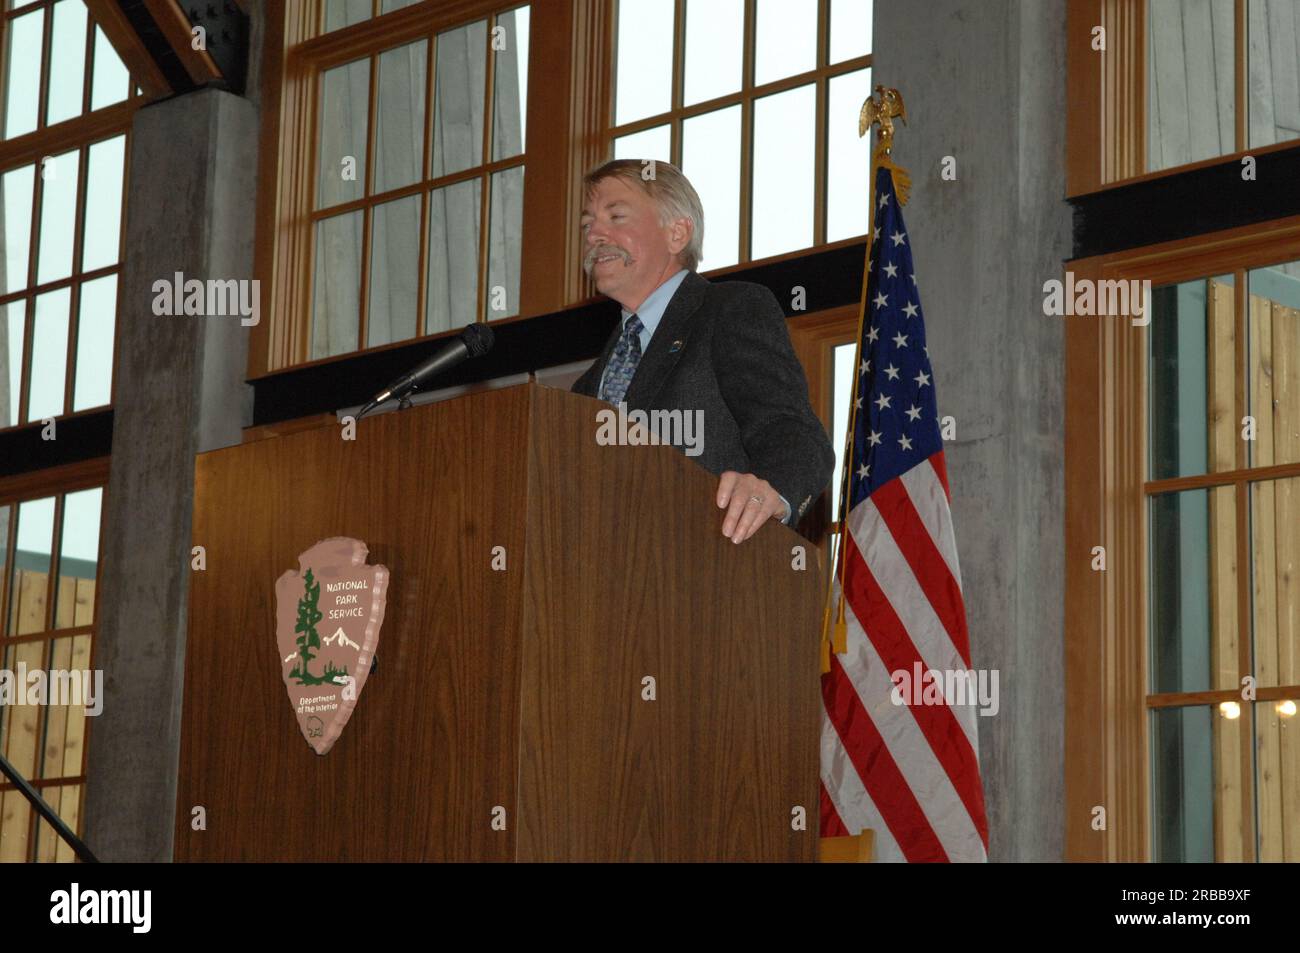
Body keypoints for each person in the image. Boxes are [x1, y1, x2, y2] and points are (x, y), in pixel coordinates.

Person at [572, 159, 834, 544]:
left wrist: (771, 490)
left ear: (677, 233)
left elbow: (793, 432)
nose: (594, 233)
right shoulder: (584, 388)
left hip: (711, 573)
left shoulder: (730, 310)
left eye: (616, 216)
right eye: (587, 224)